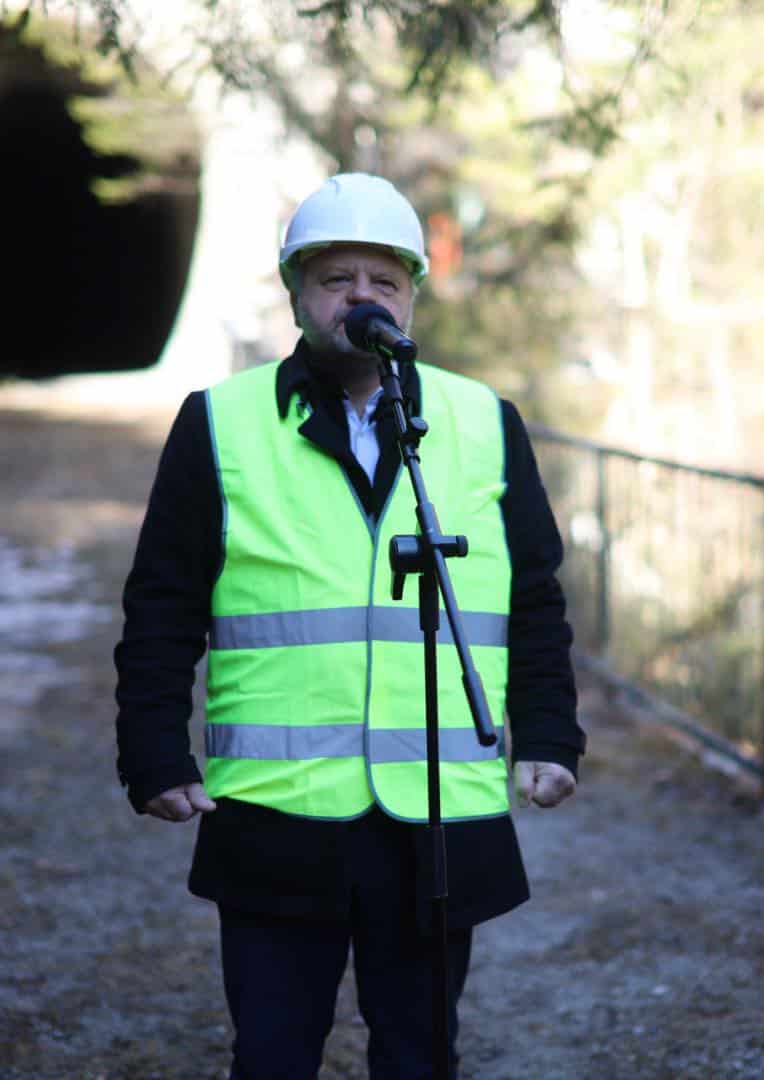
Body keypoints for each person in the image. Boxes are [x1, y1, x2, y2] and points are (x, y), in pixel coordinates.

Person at [114, 171, 585, 1079]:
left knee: (420, 1057)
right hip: (277, 809)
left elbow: (535, 600)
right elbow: (162, 601)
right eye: (337, 279)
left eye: (384, 281)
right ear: (298, 293)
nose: (362, 298)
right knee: (273, 1057)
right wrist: (153, 751)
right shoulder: (221, 423)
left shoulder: (483, 422)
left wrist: (551, 735)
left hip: (434, 813)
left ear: (412, 297)